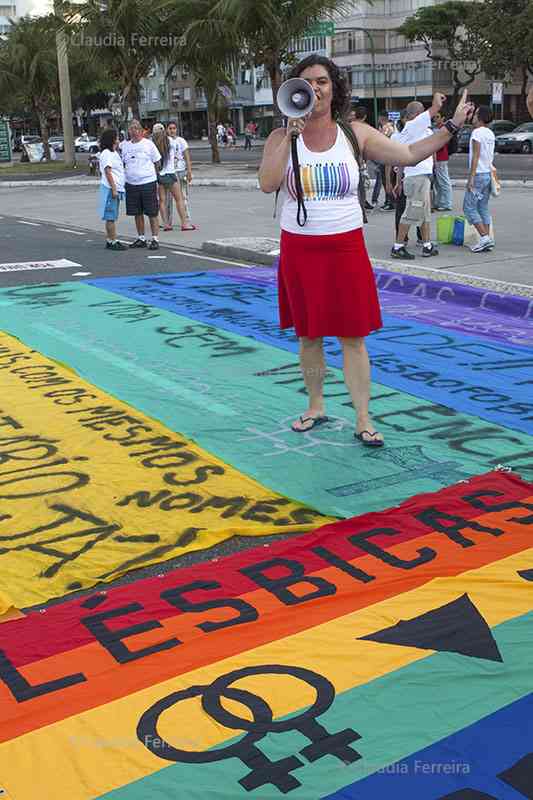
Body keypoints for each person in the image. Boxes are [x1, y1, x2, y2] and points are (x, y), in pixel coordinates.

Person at [258, 54, 472, 447]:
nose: (316, 89)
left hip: (345, 248)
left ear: (334, 88)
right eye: (307, 83)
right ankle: (316, 404)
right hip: (299, 249)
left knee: (353, 336)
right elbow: (269, 183)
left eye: (322, 81)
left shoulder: (354, 133)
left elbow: (407, 155)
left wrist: (452, 126)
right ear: (295, 91)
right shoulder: (279, 138)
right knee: (309, 337)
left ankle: (362, 416)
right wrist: (288, 136)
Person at [391, 97, 444, 260]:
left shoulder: (421, 130)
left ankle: (427, 245)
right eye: (422, 114)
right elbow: (434, 108)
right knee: (412, 212)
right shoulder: (413, 127)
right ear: (417, 114)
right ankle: (398, 246)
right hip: (416, 178)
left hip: (422, 177)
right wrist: (437, 100)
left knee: (424, 213)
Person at [120, 119, 161, 250]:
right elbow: (122, 163)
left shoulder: (148, 144)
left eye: (136, 128)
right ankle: (141, 238)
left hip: (147, 182)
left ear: (141, 130)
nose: (133, 131)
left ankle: (155, 239)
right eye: (131, 128)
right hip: (131, 184)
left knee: (152, 212)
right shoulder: (125, 145)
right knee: (137, 213)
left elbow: (157, 162)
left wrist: (155, 178)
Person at [152, 122, 196, 232]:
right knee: (179, 199)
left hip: (160, 175)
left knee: (162, 200)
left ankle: (166, 224)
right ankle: (184, 224)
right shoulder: (171, 141)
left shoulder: (154, 144)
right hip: (171, 174)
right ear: (165, 130)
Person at [464, 105, 495, 253]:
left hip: (478, 175)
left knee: (469, 207)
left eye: (475, 114)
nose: (473, 117)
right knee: (482, 207)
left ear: (480, 117)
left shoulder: (477, 133)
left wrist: (471, 178)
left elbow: (476, 156)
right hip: (487, 174)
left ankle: (484, 238)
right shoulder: (490, 133)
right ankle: (487, 238)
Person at [98, 127, 127, 251]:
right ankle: (113, 241)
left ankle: (110, 239)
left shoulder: (114, 153)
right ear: (112, 139)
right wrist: (114, 189)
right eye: (116, 137)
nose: (118, 139)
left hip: (117, 188)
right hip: (110, 188)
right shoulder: (106, 154)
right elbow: (108, 171)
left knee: (113, 215)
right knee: (110, 216)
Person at [167, 120, 193, 221]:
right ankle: (167, 221)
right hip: (169, 172)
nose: (172, 130)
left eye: (174, 128)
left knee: (183, 196)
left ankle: (186, 218)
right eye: (170, 128)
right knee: (168, 198)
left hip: (181, 171)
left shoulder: (181, 141)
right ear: (167, 130)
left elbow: (187, 156)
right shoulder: (165, 140)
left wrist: (189, 171)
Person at [432, 112, 454, 211]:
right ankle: (440, 202)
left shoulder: (442, 129)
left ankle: (446, 203)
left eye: (437, 117)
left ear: (443, 118)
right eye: (434, 117)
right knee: (438, 182)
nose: (435, 119)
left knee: (443, 181)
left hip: (441, 157)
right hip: (438, 157)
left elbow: (440, 144)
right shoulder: (437, 129)